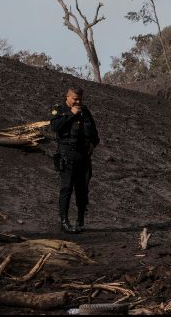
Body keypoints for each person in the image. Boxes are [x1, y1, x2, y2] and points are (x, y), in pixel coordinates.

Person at [50, 86, 99, 234]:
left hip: (83, 156)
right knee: (66, 188)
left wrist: (92, 143)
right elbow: (54, 126)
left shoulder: (85, 110)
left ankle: (80, 220)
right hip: (67, 154)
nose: (78, 101)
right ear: (68, 97)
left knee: (82, 188)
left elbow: (95, 132)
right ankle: (64, 222)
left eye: (80, 99)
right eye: (75, 99)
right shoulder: (59, 110)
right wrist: (70, 114)